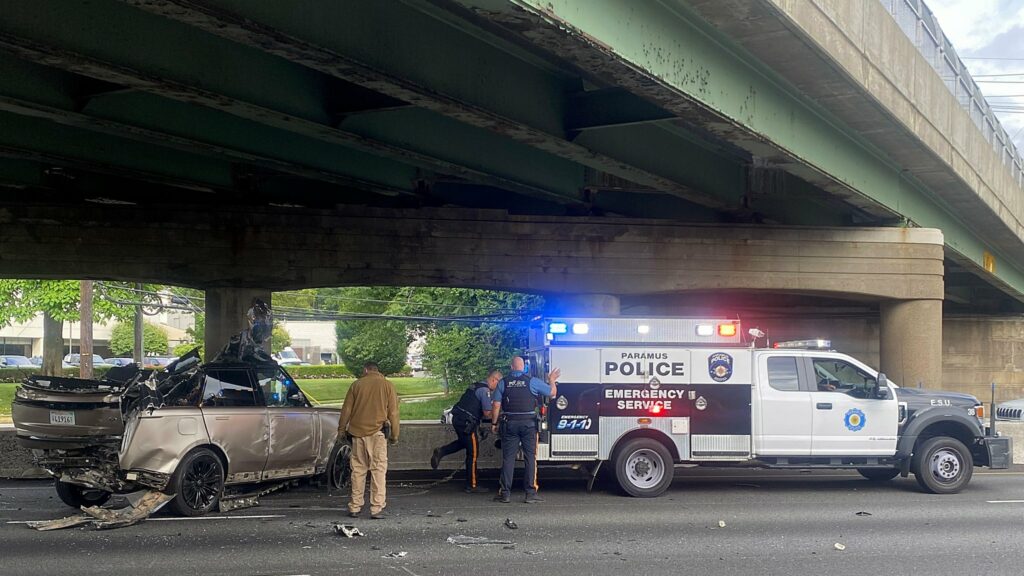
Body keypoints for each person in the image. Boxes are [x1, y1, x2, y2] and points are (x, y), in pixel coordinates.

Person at [490, 356, 560, 504]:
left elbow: (496, 405)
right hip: (529, 425)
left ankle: (505, 494)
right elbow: (552, 393)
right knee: (530, 458)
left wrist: (494, 423)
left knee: (508, 459)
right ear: (524, 367)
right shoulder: (532, 381)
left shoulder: (503, 382)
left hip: (509, 424)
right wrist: (552, 380)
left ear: (511, 367)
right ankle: (530, 494)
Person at [337, 361, 399, 520]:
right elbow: (393, 412)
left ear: (365, 370)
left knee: (358, 470)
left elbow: (346, 410)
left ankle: (355, 506)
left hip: (357, 434)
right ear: (377, 370)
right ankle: (376, 508)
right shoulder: (387, 385)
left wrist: (341, 429)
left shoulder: (356, 385)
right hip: (378, 434)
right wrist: (395, 435)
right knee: (378, 470)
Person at [430, 369, 502, 492]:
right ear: (494, 380)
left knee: (465, 442)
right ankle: (472, 485)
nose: (498, 388)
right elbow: (487, 413)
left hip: (458, 418)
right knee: (473, 453)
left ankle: (441, 451)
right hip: (467, 423)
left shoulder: (475, 385)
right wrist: (498, 414)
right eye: (498, 384)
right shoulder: (485, 391)